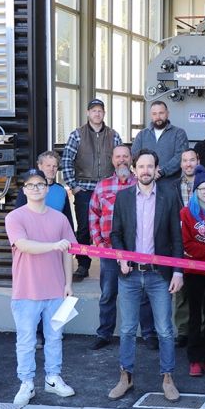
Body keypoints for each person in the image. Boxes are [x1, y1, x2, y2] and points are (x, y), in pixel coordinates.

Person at [107, 149, 184, 403]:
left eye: (150, 166)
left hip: (159, 276)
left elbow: (177, 238)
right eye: (141, 166)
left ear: (157, 169)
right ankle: (126, 377)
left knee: (165, 330)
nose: (146, 170)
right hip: (129, 275)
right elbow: (115, 234)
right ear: (134, 169)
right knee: (127, 329)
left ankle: (168, 378)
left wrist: (178, 271)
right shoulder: (124, 197)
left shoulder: (169, 196)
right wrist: (121, 257)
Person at [5, 169, 77, 406]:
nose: (36, 188)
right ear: (24, 190)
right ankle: (26, 382)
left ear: (48, 188)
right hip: (26, 291)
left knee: (55, 337)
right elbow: (24, 245)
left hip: (56, 290)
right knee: (26, 340)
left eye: (40, 184)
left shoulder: (60, 219)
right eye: (31, 185)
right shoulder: (15, 217)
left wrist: (68, 283)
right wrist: (53, 245)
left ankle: (53, 378)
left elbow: (67, 252)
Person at [87, 145, 155, 351]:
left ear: (131, 159)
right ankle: (104, 333)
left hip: (136, 251)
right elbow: (93, 215)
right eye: (118, 157)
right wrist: (99, 245)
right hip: (109, 251)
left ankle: (149, 334)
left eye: (125, 156)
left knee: (143, 294)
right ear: (113, 160)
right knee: (108, 293)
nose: (122, 160)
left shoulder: (140, 183)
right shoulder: (102, 186)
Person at [61, 99, 122, 281]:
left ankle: (114, 261)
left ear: (104, 113)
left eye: (100, 110)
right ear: (88, 113)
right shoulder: (77, 135)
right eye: (93, 110)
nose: (97, 113)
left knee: (111, 227)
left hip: (108, 190)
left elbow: (121, 161)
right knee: (84, 229)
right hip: (85, 189)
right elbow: (66, 160)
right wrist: (74, 186)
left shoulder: (113, 135)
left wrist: (119, 185)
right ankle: (83, 264)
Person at [180, 165, 205, 377]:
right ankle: (195, 359)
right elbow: (186, 243)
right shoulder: (186, 213)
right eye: (203, 188)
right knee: (195, 316)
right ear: (195, 191)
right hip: (194, 272)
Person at [173, 148, 201, 348]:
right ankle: (183, 331)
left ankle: (201, 328)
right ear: (181, 164)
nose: (188, 164)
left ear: (198, 161)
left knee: (203, 288)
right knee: (181, 291)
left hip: (202, 241)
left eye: (192, 160)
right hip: (180, 242)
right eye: (185, 160)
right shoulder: (173, 186)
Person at [131, 101, 188, 187]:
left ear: (167, 114)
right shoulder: (142, 134)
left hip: (170, 186)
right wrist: (148, 172)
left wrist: (161, 171)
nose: (158, 117)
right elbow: (134, 156)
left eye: (161, 113)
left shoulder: (179, 133)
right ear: (151, 115)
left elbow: (180, 157)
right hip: (146, 185)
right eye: (154, 114)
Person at [15, 151, 74, 227]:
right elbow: (18, 216)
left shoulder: (61, 190)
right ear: (40, 166)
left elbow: (68, 220)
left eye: (54, 166)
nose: (51, 169)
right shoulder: (29, 189)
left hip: (56, 232)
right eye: (48, 165)